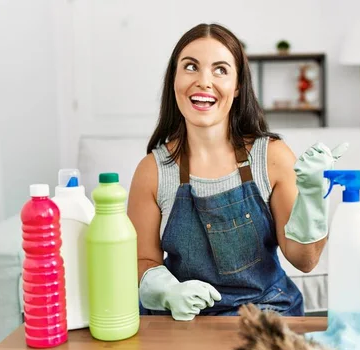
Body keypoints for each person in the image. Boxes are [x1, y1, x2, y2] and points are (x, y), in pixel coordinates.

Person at [127, 23, 347, 321]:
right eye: (191, 67)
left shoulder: (271, 157)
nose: (204, 81)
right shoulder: (152, 171)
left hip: (265, 316)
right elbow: (142, 260)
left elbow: (304, 261)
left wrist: (312, 198)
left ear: (238, 85)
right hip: (182, 320)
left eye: (220, 70)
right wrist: (166, 291)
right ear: (174, 79)